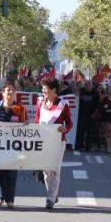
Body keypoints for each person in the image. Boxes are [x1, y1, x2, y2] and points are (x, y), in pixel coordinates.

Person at [0, 82, 30, 209]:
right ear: (2, 93)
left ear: (15, 93)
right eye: (7, 90)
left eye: (12, 90)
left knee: (11, 171)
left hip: (14, 145)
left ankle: (10, 199)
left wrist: (26, 123)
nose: (10, 92)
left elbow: (26, 122)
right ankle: (0, 197)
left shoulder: (20, 108)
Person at [35, 77, 73, 209]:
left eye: (45, 89)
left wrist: (65, 129)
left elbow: (69, 123)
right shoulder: (40, 103)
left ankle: (50, 198)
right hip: (43, 142)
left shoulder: (63, 105)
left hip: (58, 142)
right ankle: (53, 192)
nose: (43, 91)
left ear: (53, 90)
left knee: (55, 170)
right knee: (46, 172)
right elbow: (37, 121)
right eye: (42, 89)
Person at [75, 80, 100, 152]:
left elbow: (98, 106)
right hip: (81, 115)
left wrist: (94, 115)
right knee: (80, 131)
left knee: (90, 131)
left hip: (91, 115)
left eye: (89, 84)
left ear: (92, 85)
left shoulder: (95, 93)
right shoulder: (81, 91)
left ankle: (87, 146)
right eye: (86, 84)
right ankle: (79, 145)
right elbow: (75, 97)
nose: (87, 86)